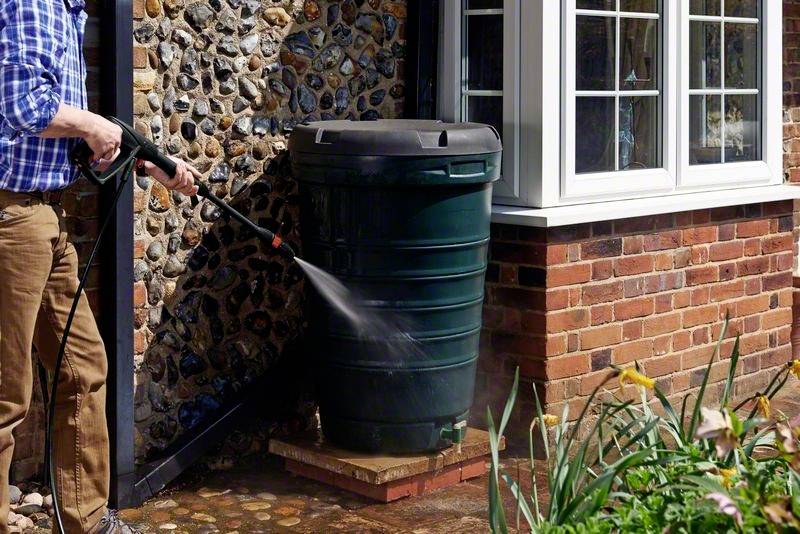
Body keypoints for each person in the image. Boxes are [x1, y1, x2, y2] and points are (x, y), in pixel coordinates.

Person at [0, 0, 199, 532]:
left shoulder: (69, 12)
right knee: (6, 392)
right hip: (11, 213)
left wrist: (155, 165)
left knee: (82, 366)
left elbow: (65, 131)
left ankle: (86, 519)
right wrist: (90, 125)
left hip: (43, 214)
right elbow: (24, 107)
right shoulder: (36, 3)